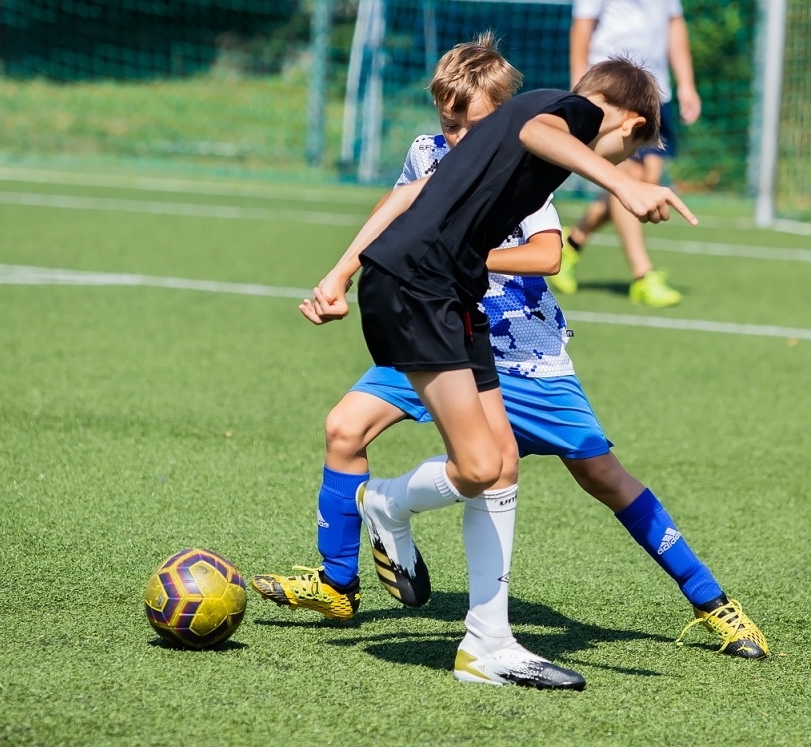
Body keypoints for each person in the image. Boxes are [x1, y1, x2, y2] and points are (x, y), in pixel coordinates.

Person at [252, 39, 768, 663]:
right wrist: (621, 185)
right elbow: (428, 190)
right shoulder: (556, 120)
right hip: (433, 302)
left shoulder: (535, 146)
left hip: (515, 344)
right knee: (363, 432)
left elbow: (546, 248)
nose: (460, 134)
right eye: (450, 123)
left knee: (587, 473)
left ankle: (704, 600)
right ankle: (353, 572)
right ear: (629, 125)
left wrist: (457, 255)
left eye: (472, 122)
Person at [549, 0, 701, 309]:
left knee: (643, 182)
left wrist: (686, 83)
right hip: (615, 91)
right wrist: (580, 91)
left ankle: (570, 245)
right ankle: (642, 275)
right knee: (627, 178)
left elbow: (674, 21)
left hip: (658, 90)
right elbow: (582, 27)